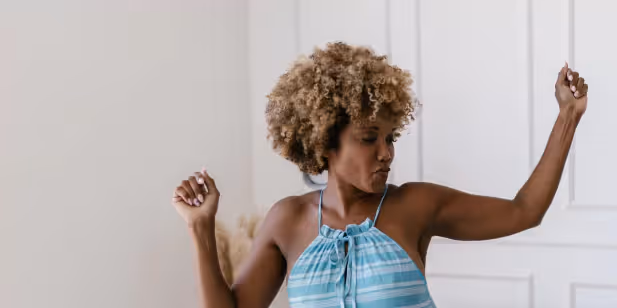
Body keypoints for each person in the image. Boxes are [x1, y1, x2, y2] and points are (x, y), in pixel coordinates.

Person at [172, 42, 588, 308]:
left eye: (391, 138)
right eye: (370, 138)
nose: (387, 152)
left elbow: (524, 211)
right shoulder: (288, 220)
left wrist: (567, 116)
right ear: (325, 141)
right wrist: (200, 226)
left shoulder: (415, 206)